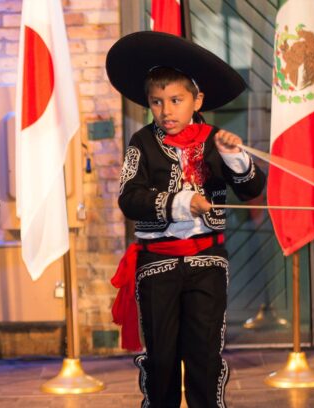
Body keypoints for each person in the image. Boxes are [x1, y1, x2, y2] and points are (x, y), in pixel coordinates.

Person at [106, 32, 266, 407]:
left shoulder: (216, 140)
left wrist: (235, 158)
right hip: (157, 263)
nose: (166, 111)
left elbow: (251, 188)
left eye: (176, 100)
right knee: (161, 358)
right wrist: (180, 203)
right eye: (157, 102)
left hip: (208, 263)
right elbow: (129, 199)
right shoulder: (140, 143)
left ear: (198, 100)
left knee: (204, 356)